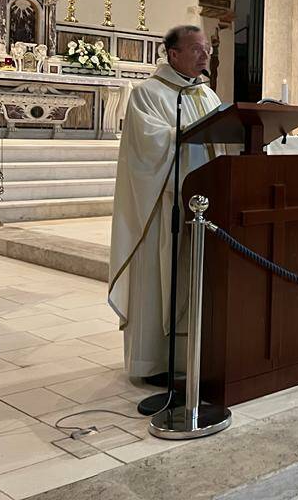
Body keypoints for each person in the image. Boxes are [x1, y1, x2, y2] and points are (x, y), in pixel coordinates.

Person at [109, 25, 224, 381]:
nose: (205, 55)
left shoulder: (208, 96)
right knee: (159, 282)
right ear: (172, 54)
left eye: (207, 49)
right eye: (196, 49)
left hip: (203, 207)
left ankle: (193, 359)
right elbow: (147, 146)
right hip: (163, 207)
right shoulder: (148, 93)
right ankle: (155, 362)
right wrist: (186, 135)